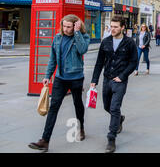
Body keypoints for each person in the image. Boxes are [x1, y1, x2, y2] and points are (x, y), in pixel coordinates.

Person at [28, 15, 90, 152]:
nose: (66, 29)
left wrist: (77, 32)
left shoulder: (83, 37)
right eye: (64, 26)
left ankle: (81, 128)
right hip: (60, 79)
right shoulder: (57, 38)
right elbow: (53, 58)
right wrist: (47, 75)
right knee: (54, 107)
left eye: (69, 26)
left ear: (75, 26)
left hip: (76, 78)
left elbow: (82, 50)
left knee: (77, 103)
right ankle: (45, 140)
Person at [91, 16, 138, 153]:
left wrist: (122, 76)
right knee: (107, 106)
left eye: (116, 26)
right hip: (107, 80)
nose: (112, 29)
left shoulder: (129, 43)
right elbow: (99, 62)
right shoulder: (105, 42)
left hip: (120, 81)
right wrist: (94, 80)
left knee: (114, 107)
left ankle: (111, 139)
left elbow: (134, 62)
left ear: (123, 27)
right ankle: (119, 119)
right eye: (111, 26)